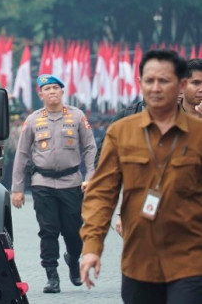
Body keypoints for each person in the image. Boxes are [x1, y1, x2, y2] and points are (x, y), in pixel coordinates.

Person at [80, 49, 202, 303]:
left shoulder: (198, 133)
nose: (156, 88)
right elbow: (101, 195)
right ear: (140, 83)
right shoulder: (121, 132)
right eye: (150, 80)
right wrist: (92, 247)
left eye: (164, 81)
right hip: (140, 260)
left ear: (179, 85)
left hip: (189, 258)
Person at [10, 73, 96, 293]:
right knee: (48, 231)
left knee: (74, 232)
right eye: (47, 90)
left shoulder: (77, 117)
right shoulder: (33, 120)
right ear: (41, 94)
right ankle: (52, 275)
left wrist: (91, 178)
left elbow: (89, 148)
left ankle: (73, 259)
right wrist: (17, 189)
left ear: (62, 92)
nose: (52, 92)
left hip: (71, 182)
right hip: (43, 183)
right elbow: (22, 155)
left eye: (55, 88)